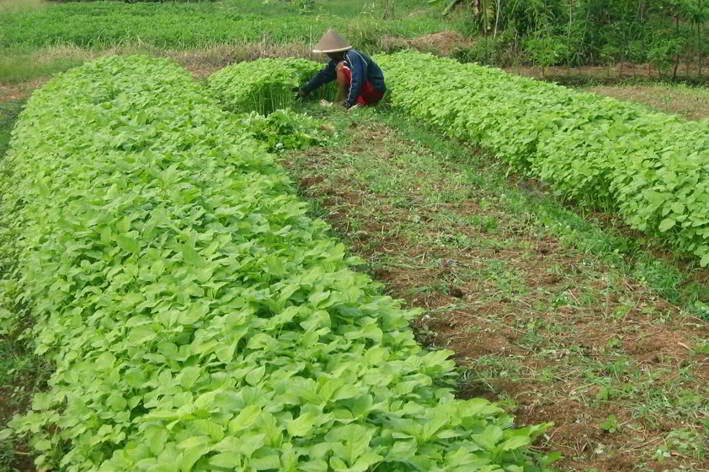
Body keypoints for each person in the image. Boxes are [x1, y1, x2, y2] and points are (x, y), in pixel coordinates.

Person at [298, 29, 386, 110]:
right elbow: (323, 76)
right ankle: (356, 104)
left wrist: (349, 103)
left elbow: (357, 80)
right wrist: (305, 90)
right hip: (365, 91)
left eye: (328, 52)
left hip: (374, 88)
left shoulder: (352, 56)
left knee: (341, 68)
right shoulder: (336, 61)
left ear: (334, 51)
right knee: (339, 67)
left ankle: (347, 103)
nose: (327, 55)